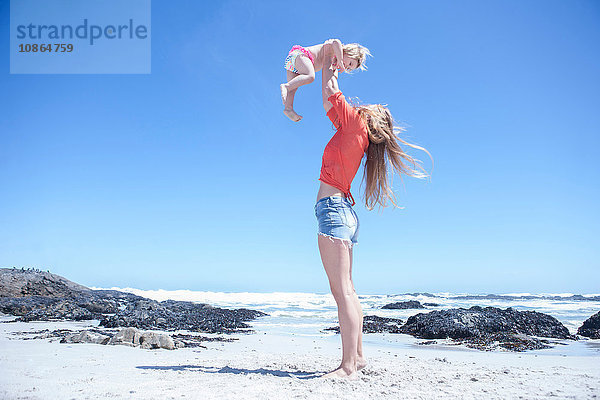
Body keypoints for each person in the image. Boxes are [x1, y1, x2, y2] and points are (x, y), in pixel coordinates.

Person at [315, 57, 431, 379]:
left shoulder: (355, 125)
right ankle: (359, 358)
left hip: (334, 210)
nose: (361, 105)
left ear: (368, 116)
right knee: (348, 290)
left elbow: (328, 91)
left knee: (342, 292)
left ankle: (348, 366)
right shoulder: (358, 135)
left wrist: (328, 55)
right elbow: (331, 94)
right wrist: (332, 65)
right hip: (345, 213)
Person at [280, 39, 371, 122]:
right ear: (350, 52)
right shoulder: (336, 49)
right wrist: (339, 60)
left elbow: (331, 80)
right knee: (310, 76)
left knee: (293, 87)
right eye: (350, 63)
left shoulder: (333, 60)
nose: (346, 67)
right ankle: (285, 86)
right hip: (302, 55)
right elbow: (336, 42)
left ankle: (288, 108)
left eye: (348, 68)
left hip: (294, 63)